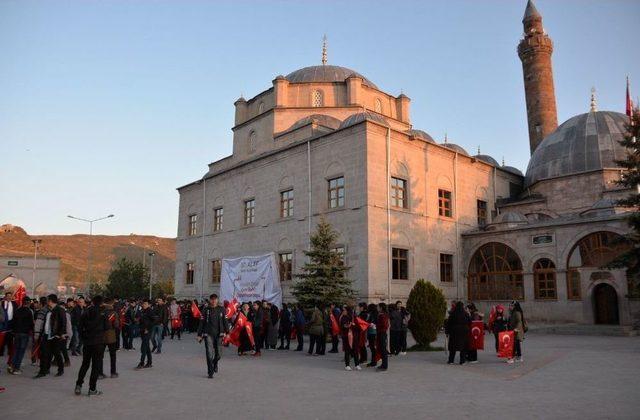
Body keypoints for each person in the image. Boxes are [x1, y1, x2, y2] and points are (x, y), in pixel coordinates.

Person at [74, 295, 108, 396]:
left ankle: (78, 385)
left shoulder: (86, 312)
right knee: (95, 366)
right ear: (101, 303)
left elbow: (80, 327)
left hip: (87, 342)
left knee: (85, 364)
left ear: (92, 302)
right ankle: (92, 389)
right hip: (98, 343)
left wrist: (84, 338)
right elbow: (107, 327)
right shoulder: (103, 313)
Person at [197, 294, 229, 378]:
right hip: (208, 334)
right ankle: (210, 372)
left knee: (219, 354)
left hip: (219, 334)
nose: (213, 301)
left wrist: (228, 333)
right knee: (209, 353)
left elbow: (225, 321)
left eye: (215, 299)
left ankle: (215, 363)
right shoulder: (206, 309)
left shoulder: (222, 309)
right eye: (212, 299)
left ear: (217, 300)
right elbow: (201, 322)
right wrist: (199, 334)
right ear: (210, 300)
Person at [35, 294, 67, 378]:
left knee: (56, 353)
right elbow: (45, 324)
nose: (46, 302)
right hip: (46, 335)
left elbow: (63, 323)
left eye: (47, 300)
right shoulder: (48, 310)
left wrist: (59, 335)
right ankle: (43, 371)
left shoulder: (60, 310)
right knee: (44, 354)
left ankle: (61, 369)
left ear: (50, 301)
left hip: (55, 336)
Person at [9, 297, 34, 375]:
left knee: (16, 350)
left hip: (17, 333)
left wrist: (14, 331)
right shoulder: (29, 312)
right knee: (21, 351)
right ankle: (17, 368)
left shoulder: (17, 310)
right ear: (29, 303)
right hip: (24, 333)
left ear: (22, 302)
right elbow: (31, 324)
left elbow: (13, 322)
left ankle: (12, 366)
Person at [98, 297, 119, 378]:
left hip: (101, 336)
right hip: (111, 336)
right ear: (112, 303)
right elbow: (116, 325)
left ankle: (100, 373)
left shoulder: (100, 312)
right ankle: (113, 373)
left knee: (100, 356)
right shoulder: (114, 313)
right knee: (112, 355)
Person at [340, 306, 361, 371]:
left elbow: (358, 327)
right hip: (346, 337)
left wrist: (352, 325)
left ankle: (357, 365)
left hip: (354, 337)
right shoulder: (342, 317)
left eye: (344, 310)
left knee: (355, 351)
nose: (343, 311)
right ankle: (347, 365)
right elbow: (343, 326)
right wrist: (349, 325)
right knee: (347, 351)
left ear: (348, 311)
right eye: (343, 310)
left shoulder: (354, 317)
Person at [136, 299, 154, 369]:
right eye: (143, 304)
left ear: (149, 304)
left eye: (145, 304)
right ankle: (149, 362)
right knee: (147, 347)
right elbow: (141, 319)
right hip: (142, 330)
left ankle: (141, 363)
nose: (144, 305)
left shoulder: (150, 311)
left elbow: (153, 321)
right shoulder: (142, 311)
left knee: (143, 347)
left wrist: (148, 329)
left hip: (147, 331)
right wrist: (138, 320)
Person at [0, 292, 17, 357]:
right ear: (5, 297)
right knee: (2, 338)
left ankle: (10, 352)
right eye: (8, 296)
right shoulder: (2, 303)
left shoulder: (14, 304)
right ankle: (1, 351)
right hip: (3, 323)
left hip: (11, 323)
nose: (9, 297)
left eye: (10, 296)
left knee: (10, 339)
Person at [376, 302, 390, 372]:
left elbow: (384, 325)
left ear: (381, 308)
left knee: (383, 350)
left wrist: (376, 327)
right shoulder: (382, 314)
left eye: (378, 306)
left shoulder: (383, 315)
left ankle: (385, 366)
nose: (377, 308)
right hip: (381, 333)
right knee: (382, 349)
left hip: (382, 333)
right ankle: (383, 364)